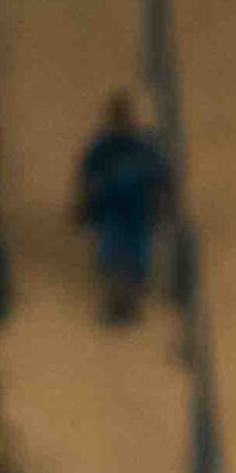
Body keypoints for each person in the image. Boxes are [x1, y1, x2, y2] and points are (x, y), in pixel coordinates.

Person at [76, 93, 174, 327]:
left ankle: (130, 303)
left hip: (139, 212)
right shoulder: (102, 148)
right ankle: (117, 302)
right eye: (116, 119)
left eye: (123, 118)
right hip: (112, 211)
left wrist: (167, 205)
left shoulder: (145, 147)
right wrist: (83, 205)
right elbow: (87, 176)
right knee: (111, 257)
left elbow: (164, 177)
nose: (120, 123)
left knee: (137, 258)